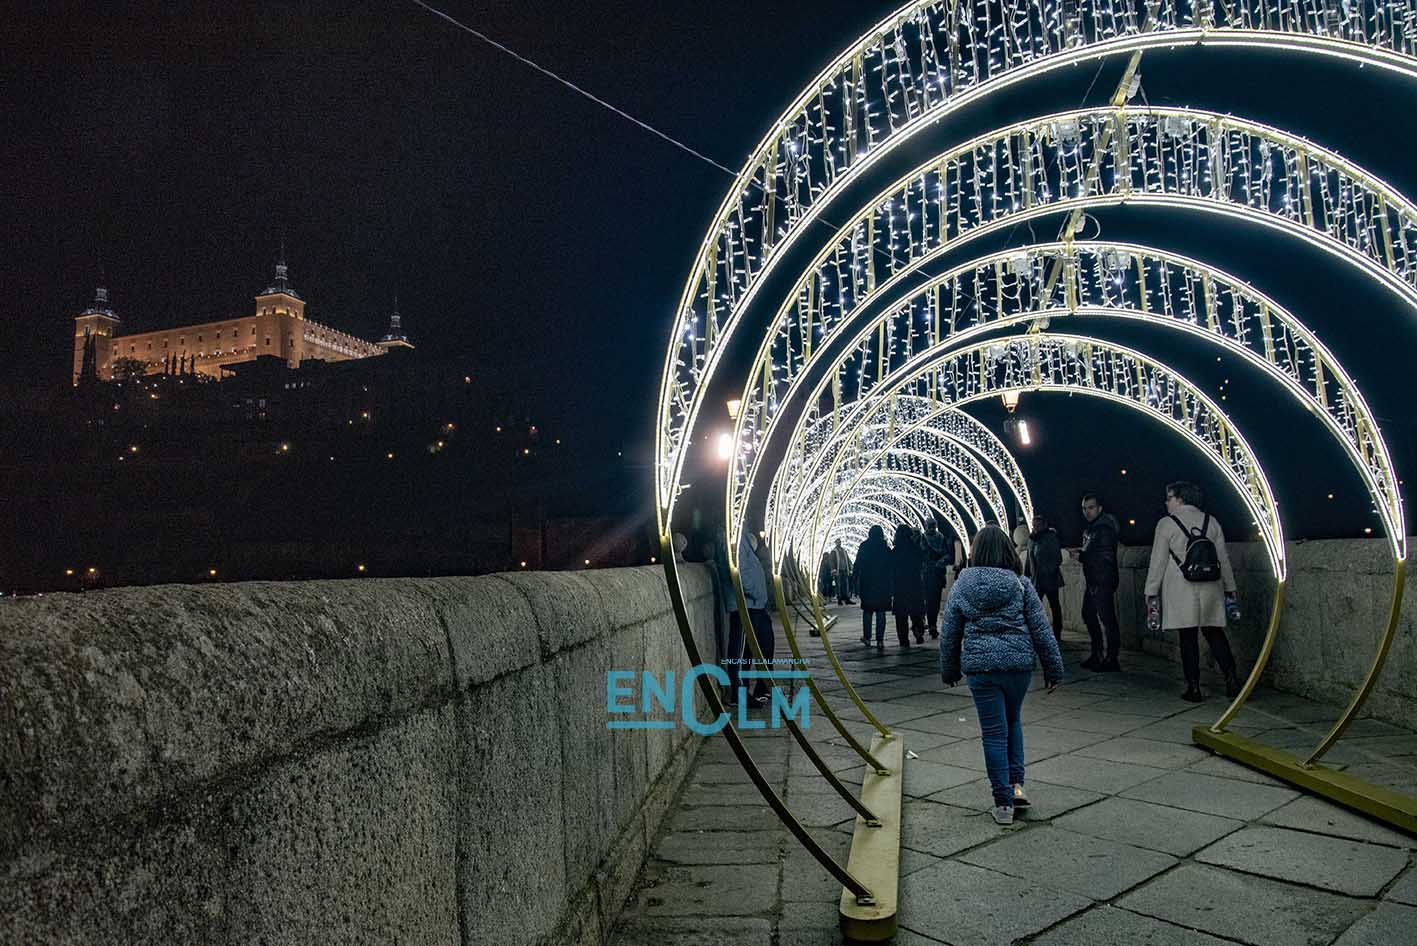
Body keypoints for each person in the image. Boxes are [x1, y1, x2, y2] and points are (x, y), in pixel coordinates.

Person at [940, 525, 1064, 826]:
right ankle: (1017, 786)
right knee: (1013, 722)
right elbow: (1040, 629)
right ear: (1008, 550)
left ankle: (1003, 803)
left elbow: (950, 632)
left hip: (981, 670)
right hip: (1017, 667)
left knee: (994, 733)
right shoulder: (1021, 584)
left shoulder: (962, 585)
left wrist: (950, 669)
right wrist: (1053, 668)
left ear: (975, 552)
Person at [1145, 481, 1243, 702]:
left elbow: (1158, 561)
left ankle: (1194, 687)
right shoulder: (1212, 522)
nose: (1166, 502)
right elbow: (1223, 560)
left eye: (1169, 497)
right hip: (1211, 584)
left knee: (1187, 637)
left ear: (1181, 499)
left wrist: (1151, 591)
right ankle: (1231, 678)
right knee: (1214, 632)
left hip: (1181, 586)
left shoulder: (1166, 524)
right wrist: (1230, 588)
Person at [1071, 493, 1121, 671]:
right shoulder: (1093, 528)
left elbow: (1105, 557)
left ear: (1099, 508)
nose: (1087, 512)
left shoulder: (1104, 529)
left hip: (1102, 580)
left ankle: (1111, 658)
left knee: (1107, 619)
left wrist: (1082, 556)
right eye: (1084, 508)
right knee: (1089, 615)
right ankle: (1098, 653)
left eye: (1091, 508)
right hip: (1094, 580)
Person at [852, 525, 892, 650]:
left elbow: (857, 564)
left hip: (868, 583)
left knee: (868, 611)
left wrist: (855, 577)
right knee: (881, 612)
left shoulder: (864, 546)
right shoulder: (885, 547)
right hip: (882, 584)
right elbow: (891, 566)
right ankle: (880, 640)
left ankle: (867, 638)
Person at [1027, 514, 1065, 642]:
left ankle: (1057, 634)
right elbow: (1029, 559)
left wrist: (1047, 571)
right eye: (1034, 525)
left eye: (1038, 525)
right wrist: (1027, 575)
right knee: (1033, 608)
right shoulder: (1032, 539)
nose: (1035, 528)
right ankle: (1036, 633)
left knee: (1055, 606)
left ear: (1044, 525)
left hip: (1050, 580)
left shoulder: (1050, 538)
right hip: (1036, 580)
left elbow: (1057, 558)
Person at [891, 523, 927, 646]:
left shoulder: (895, 550)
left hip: (900, 586)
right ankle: (918, 632)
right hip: (914, 584)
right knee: (916, 611)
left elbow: (891, 568)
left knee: (901, 615)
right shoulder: (915, 548)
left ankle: (903, 639)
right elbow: (922, 562)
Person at [918, 519, 949, 639]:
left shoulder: (938, 538)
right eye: (929, 526)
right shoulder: (925, 538)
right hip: (931, 574)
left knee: (933, 602)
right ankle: (930, 624)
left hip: (933, 574)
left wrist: (938, 563)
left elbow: (947, 555)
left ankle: (932, 625)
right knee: (930, 601)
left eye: (932, 526)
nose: (930, 528)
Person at [830, 538, 854, 604]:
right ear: (835, 543)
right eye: (837, 542)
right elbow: (831, 561)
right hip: (838, 571)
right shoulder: (834, 551)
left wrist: (850, 568)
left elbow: (848, 560)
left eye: (839, 542)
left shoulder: (844, 550)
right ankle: (839, 599)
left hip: (844, 570)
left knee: (846, 585)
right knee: (838, 585)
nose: (839, 543)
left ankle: (847, 598)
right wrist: (833, 569)